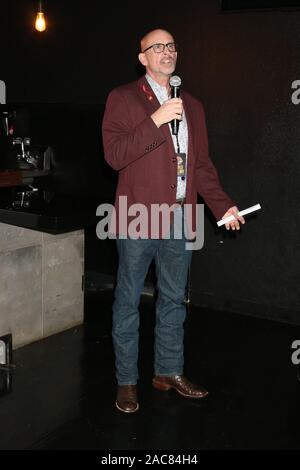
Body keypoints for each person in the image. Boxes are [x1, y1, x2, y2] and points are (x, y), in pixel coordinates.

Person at [102, 28, 245, 413]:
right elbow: (114, 155)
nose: (167, 52)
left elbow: (200, 166)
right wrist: (156, 119)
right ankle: (127, 381)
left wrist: (223, 206)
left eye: (172, 46)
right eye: (158, 47)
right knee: (128, 301)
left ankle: (167, 371)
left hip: (181, 216)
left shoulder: (193, 105)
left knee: (174, 300)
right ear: (142, 57)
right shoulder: (123, 98)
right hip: (138, 216)